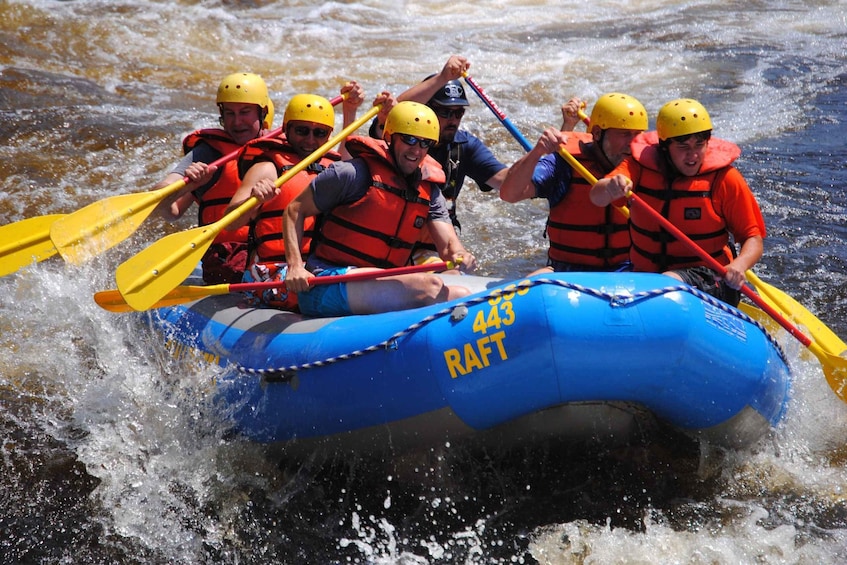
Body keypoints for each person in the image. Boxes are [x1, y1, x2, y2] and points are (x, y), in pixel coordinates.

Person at [281, 98, 476, 317]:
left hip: (378, 281)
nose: (416, 150)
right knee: (429, 287)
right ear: (390, 137)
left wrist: (461, 255)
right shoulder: (351, 174)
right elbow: (294, 210)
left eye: (425, 143)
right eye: (410, 139)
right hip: (326, 282)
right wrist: (295, 266)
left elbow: (449, 246)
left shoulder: (428, 191)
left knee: (460, 289)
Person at [590, 98, 766, 306]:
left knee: (669, 282)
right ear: (665, 147)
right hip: (646, 276)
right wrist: (611, 187)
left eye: (699, 145)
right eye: (683, 146)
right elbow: (597, 197)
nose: (692, 155)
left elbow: (753, 238)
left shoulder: (725, 178)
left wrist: (739, 265)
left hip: (710, 278)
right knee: (662, 283)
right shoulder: (638, 167)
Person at [370, 55, 508, 262]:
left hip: (431, 245)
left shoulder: (465, 146)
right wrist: (443, 78)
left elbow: (507, 183)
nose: (452, 120)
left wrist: (539, 158)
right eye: (444, 112)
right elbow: (398, 110)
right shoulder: (397, 136)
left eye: (458, 113)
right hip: (387, 239)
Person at [499, 93, 648, 274]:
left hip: (628, 270)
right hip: (569, 271)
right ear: (598, 133)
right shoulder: (565, 163)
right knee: (537, 278)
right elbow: (509, 194)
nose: (632, 143)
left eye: (637, 135)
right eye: (625, 134)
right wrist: (537, 152)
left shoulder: (645, 164)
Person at [155, 72, 273, 284]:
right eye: (230, 113)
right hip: (228, 258)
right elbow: (164, 206)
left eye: (244, 112)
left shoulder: (281, 151)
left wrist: (350, 112)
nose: (237, 122)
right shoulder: (208, 153)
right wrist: (189, 186)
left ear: (262, 114)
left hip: (276, 258)